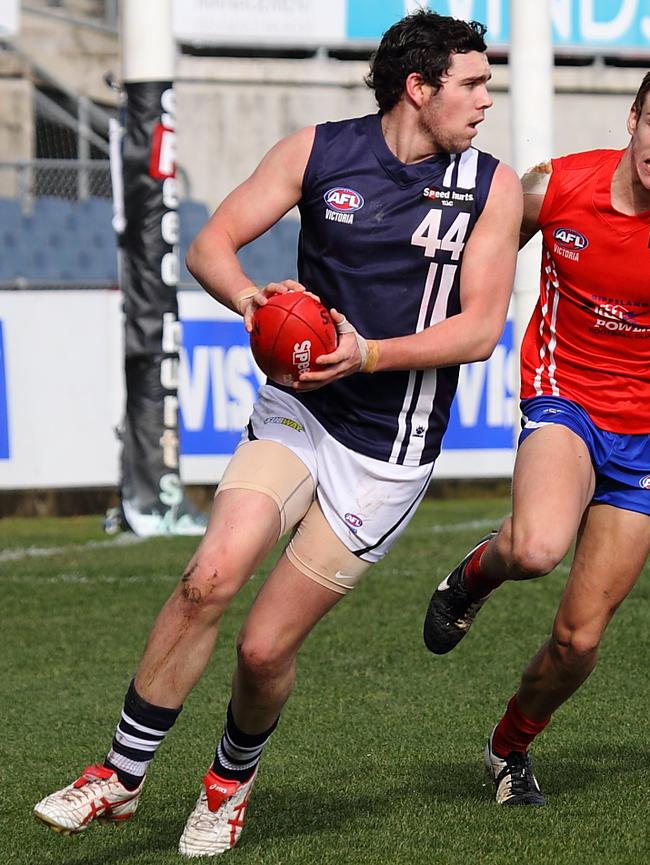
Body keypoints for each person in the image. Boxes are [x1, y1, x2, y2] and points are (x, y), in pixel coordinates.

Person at [33, 9, 521, 856]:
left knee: (262, 650)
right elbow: (212, 244)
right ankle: (118, 774)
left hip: (386, 456)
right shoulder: (318, 150)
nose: (486, 98)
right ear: (420, 86)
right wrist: (256, 303)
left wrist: (366, 353)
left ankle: (227, 783)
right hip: (296, 414)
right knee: (206, 577)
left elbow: (480, 330)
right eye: (472, 82)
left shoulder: (490, 185)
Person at [423, 71, 650, 807]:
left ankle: (507, 748)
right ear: (634, 118)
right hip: (567, 398)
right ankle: (480, 572)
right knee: (539, 547)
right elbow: (485, 254)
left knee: (578, 641)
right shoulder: (555, 185)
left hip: (644, 439)